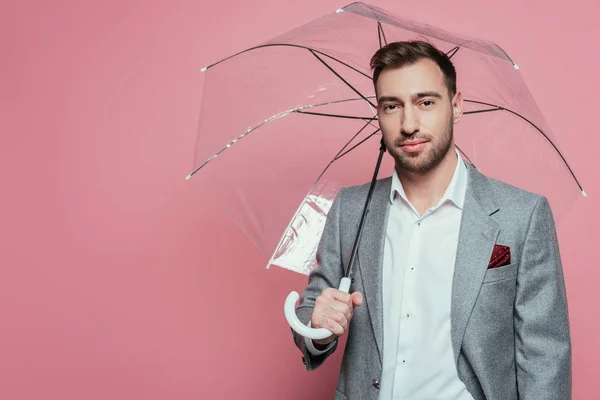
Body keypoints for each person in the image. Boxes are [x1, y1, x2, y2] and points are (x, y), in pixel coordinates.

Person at [291, 41, 571, 400]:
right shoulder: (350, 208)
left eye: (426, 102)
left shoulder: (523, 216)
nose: (408, 124)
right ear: (378, 114)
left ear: (456, 106)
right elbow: (310, 317)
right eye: (392, 106)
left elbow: (545, 357)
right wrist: (318, 325)